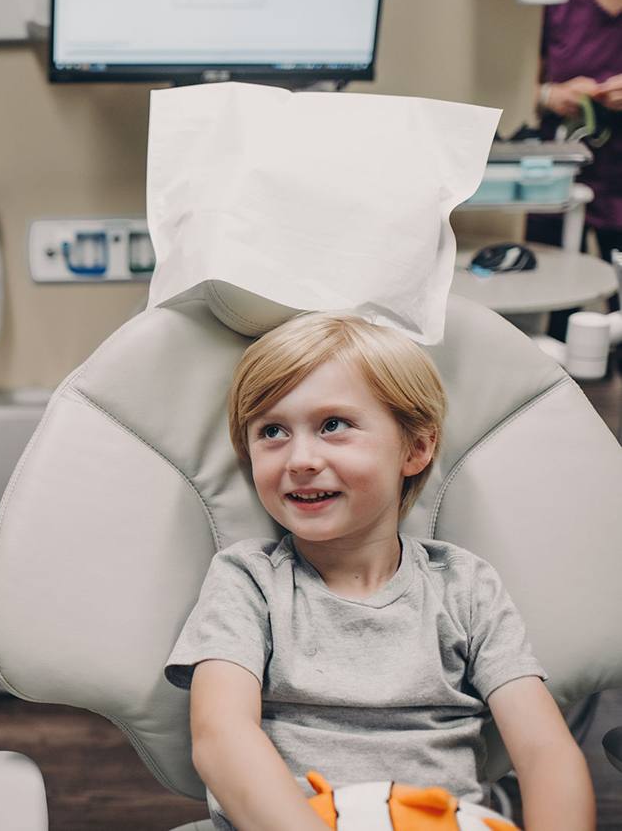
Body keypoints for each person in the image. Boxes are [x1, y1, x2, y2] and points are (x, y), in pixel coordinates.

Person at [163, 313, 595, 831]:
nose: (300, 458)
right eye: (271, 431)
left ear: (415, 447)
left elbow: (546, 751)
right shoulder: (248, 580)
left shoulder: (465, 587)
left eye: (333, 425)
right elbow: (220, 737)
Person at [526, 0, 622, 339]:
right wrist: (547, 94)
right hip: (556, 170)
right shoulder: (553, 3)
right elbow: (505, 81)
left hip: (616, 174)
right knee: (556, 298)